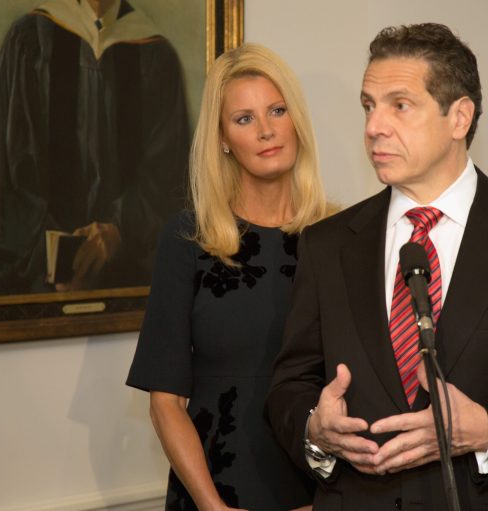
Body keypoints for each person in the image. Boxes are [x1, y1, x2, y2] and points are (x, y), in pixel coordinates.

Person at [266, 23, 488, 510]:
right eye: (368, 106)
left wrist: (485, 431)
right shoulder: (327, 244)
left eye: (400, 105)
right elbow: (289, 386)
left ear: (459, 117)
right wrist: (314, 427)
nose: (374, 126)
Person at [127, 43, 331, 510]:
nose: (265, 130)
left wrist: (329, 501)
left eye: (277, 111)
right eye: (244, 119)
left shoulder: (341, 239)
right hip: (214, 494)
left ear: (296, 119)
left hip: (320, 494)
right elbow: (165, 403)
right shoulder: (187, 241)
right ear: (221, 138)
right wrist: (212, 506)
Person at [0, 0, 189, 297]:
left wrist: (119, 230)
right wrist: (59, 255)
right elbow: (9, 173)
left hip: (126, 289)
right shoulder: (29, 41)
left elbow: (166, 173)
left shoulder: (156, 54)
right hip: (38, 286)